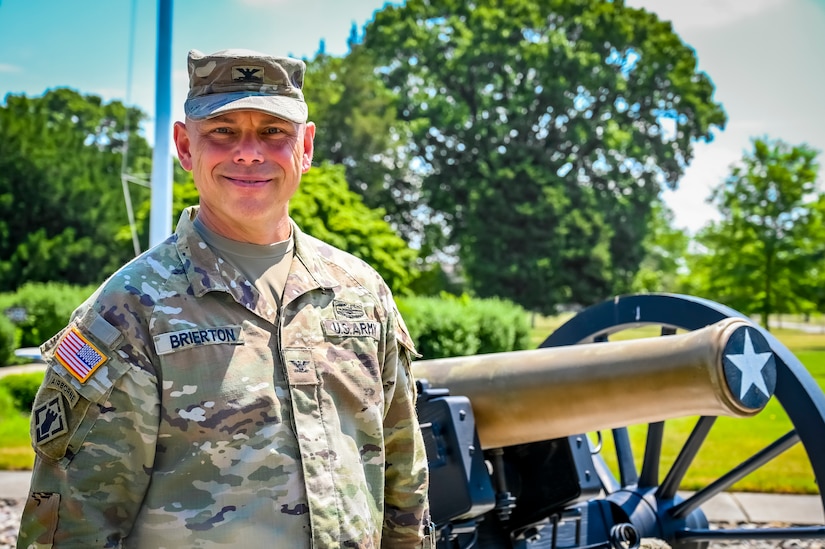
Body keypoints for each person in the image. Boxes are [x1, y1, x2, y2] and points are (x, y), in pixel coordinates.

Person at [17, 48, 433, 548]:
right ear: (184, 147)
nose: (249, 152)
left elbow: (403, 481)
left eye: (273, 132)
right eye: (223, 131)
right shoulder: (128, 310)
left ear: (305, 146)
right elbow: (72, 526)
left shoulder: (361, 292)